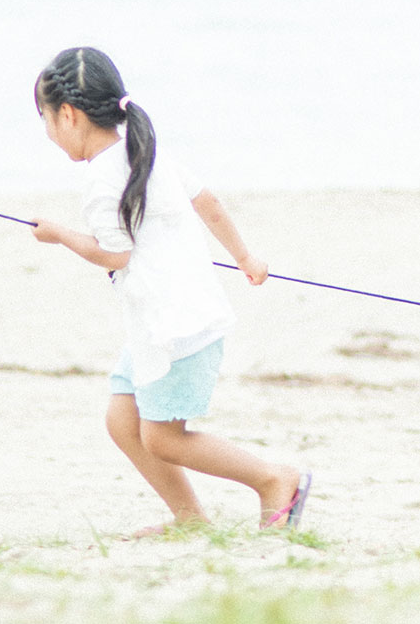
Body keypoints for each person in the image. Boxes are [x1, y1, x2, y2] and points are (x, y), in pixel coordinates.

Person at [25, 47, 309, 533]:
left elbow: (115, 255)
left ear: (68, 115)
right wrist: (244, 258)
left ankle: (273, 480)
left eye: (47, 121)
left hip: (174, 328)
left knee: (164, 439)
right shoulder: (145, 151)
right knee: (122, 418)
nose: (49, 133)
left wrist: (60, 235)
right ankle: (190, 519)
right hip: (166, 319)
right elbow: (208, 201)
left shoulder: (100, 180)